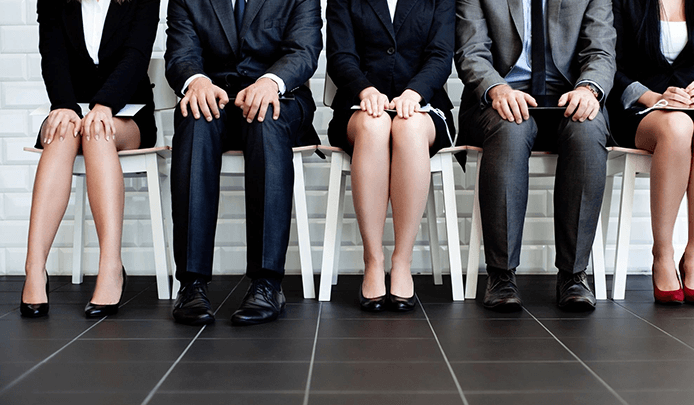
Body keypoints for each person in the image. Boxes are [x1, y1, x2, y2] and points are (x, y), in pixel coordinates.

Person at [165, 0, 322, 325]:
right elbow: (181, 54)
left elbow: (304, 51)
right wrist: (197, 81)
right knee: (196, 120)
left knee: (265, 119)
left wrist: (270, 82)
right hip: (214, 96)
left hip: (278, 98)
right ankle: (191, 284)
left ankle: (267, 283)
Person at [455, 0, 616, 312]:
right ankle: (501, 275)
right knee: (511, 127)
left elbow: (601, 50)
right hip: (500, 98)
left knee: (588, 128)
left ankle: (574, 274)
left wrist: (588, 89)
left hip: (568, 97)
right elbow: (471, 52)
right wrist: (497, 89)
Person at [21, 0, 160, 319]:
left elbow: (136, 57)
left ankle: (111, 267)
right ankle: (34, 268)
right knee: (62, 131)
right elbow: (52, 57)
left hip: (127, 113)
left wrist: (104, 105)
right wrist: (66, 106)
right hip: (71, 108)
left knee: (98, 133)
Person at [326, 0, 456, 312]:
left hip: (422, 105)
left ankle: (401, 261)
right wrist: (366, 91)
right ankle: (373, 260)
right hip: (360, 106)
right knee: (375, 126)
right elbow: (340, 55)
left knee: (408, 128)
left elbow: (441, 55)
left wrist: (414, 92)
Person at [609, 0, 694, 304]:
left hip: (693, 102)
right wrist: (654, 97)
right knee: (677, 128)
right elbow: (611, 65)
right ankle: (662, 254)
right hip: (639, 107)